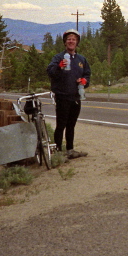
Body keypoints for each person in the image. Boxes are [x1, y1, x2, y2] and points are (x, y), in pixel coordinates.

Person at [46, 29, 91, 159]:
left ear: (77, 42)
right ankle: (58, 151)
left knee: (71, 125)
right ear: (65, 42)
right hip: (62, 96)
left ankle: (70, 150)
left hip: (76, 97)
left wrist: (84, 81)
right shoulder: (58, 57)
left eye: (74, 39)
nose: (71, 41)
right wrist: (59, 67)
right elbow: (50, 72)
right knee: (61, 125)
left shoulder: (81, 59)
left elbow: (87, 74)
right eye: (69, 39)